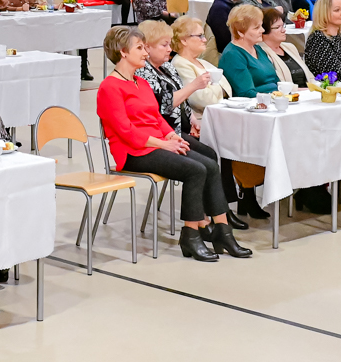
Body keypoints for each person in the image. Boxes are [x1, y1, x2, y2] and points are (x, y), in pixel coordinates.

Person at [98, 25, 244, 262]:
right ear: (123, 52)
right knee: (195, 170)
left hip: (155, 143)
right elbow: (125, 130)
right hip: (133, 152)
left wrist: (171, 135)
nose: (145, 53)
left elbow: (156, 117)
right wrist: (162, 143)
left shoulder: (140, 82)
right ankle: (191, 235)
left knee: (210, 164)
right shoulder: (109, 87)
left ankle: (222, 231)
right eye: (139, 48)